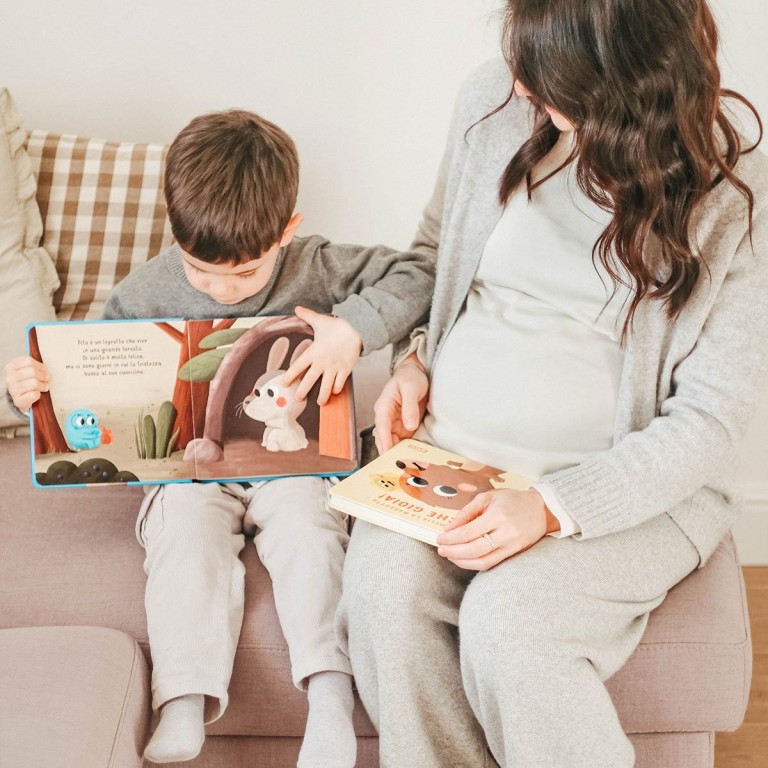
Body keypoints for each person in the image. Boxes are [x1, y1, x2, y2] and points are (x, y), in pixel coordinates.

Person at [334, 1, 768, 766]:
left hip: (624, 487)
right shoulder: (496, 101)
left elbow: (711, 420)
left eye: (547, 75)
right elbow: (437, 252)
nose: (521, 88)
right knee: (381, 596)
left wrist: (550, 506)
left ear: (623, 76)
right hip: (450, 457)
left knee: (512, 623)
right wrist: (416, 358)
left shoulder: (736, 192)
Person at [5, 109, 434, 766]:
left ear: (286, 231)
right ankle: (184, 697)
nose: (221, 288)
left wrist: (352, 328)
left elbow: (419, 276)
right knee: (185, 534)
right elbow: (89, 385)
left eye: (244, 274)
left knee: (310, 531)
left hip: (294, 464)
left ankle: (329, 694)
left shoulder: (317, 264)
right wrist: (33, 390)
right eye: (201, 272)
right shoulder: (143, 290)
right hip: (187, 474)